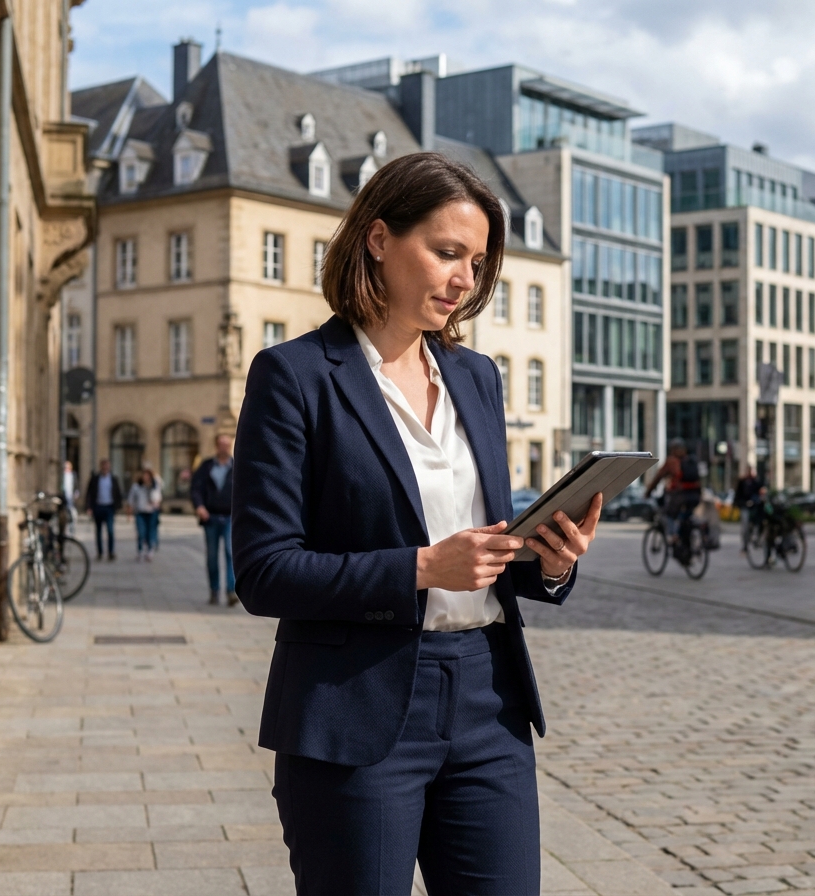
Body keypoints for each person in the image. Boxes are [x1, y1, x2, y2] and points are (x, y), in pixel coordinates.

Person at [231, 152, 599, 895]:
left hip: (489, 702)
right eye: (447, 252)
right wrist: (422, 569)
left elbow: (484, 546)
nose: (466, 279)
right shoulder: (295, 376)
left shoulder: (476, 377)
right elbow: (264, 570)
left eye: (478, 261)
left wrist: (550, 562)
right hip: (355, 709)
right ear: (377, 239)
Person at [191, 435, 237, 606]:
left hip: (231, 517)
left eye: (227, 444)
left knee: (230, 553)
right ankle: (214, 590)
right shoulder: (206, 466)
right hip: (210, 517)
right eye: (221, 444)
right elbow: (196, 488)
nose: (224, 447)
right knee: (212, 556)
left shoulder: (236, 466)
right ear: (216, 446)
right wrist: (199, 506)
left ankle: (231, 591)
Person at [645, 438, 702, 550]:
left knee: (668, 514)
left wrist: (648, 492)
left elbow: (658, 477)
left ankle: (673, 535)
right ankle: (688, 541)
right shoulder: (691, 460)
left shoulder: (671, 461)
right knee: (686, 517)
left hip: (679, 496)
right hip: (694, 496)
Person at [84, 459, 122, 561]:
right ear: (101, 467)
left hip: (109, 507)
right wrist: (89, 507)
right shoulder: (95, 479)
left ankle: (110, 552)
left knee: (110, 530)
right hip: (98, 507)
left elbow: (118, 493)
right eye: (103, 466)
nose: (105, 468)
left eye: (107, 466)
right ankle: (100, 552)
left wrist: (118, 506)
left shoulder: (113, 479)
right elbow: (89, 493)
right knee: (99, 531)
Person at [126, 469, 162, 561]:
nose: (146, 478)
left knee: (150, 532)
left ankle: (150, 551)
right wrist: (129, 512)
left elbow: (158, 498)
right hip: (140, 512)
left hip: (152, 512)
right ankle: (140, 550)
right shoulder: (136, 486)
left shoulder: (154, 486)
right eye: (144, 475)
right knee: (141, 532)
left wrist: (153, 485)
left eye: (148, 476)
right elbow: (131, 499)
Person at [733, 465, 762, 554]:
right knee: (745, 526)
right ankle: (745, 545)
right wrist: (738, 503)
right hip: (744, 506)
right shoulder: (742, 481)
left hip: (754, 506)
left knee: (758, 523)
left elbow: (760, 492)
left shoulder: (756, 481)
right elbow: (738, 494)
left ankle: (756, 539)